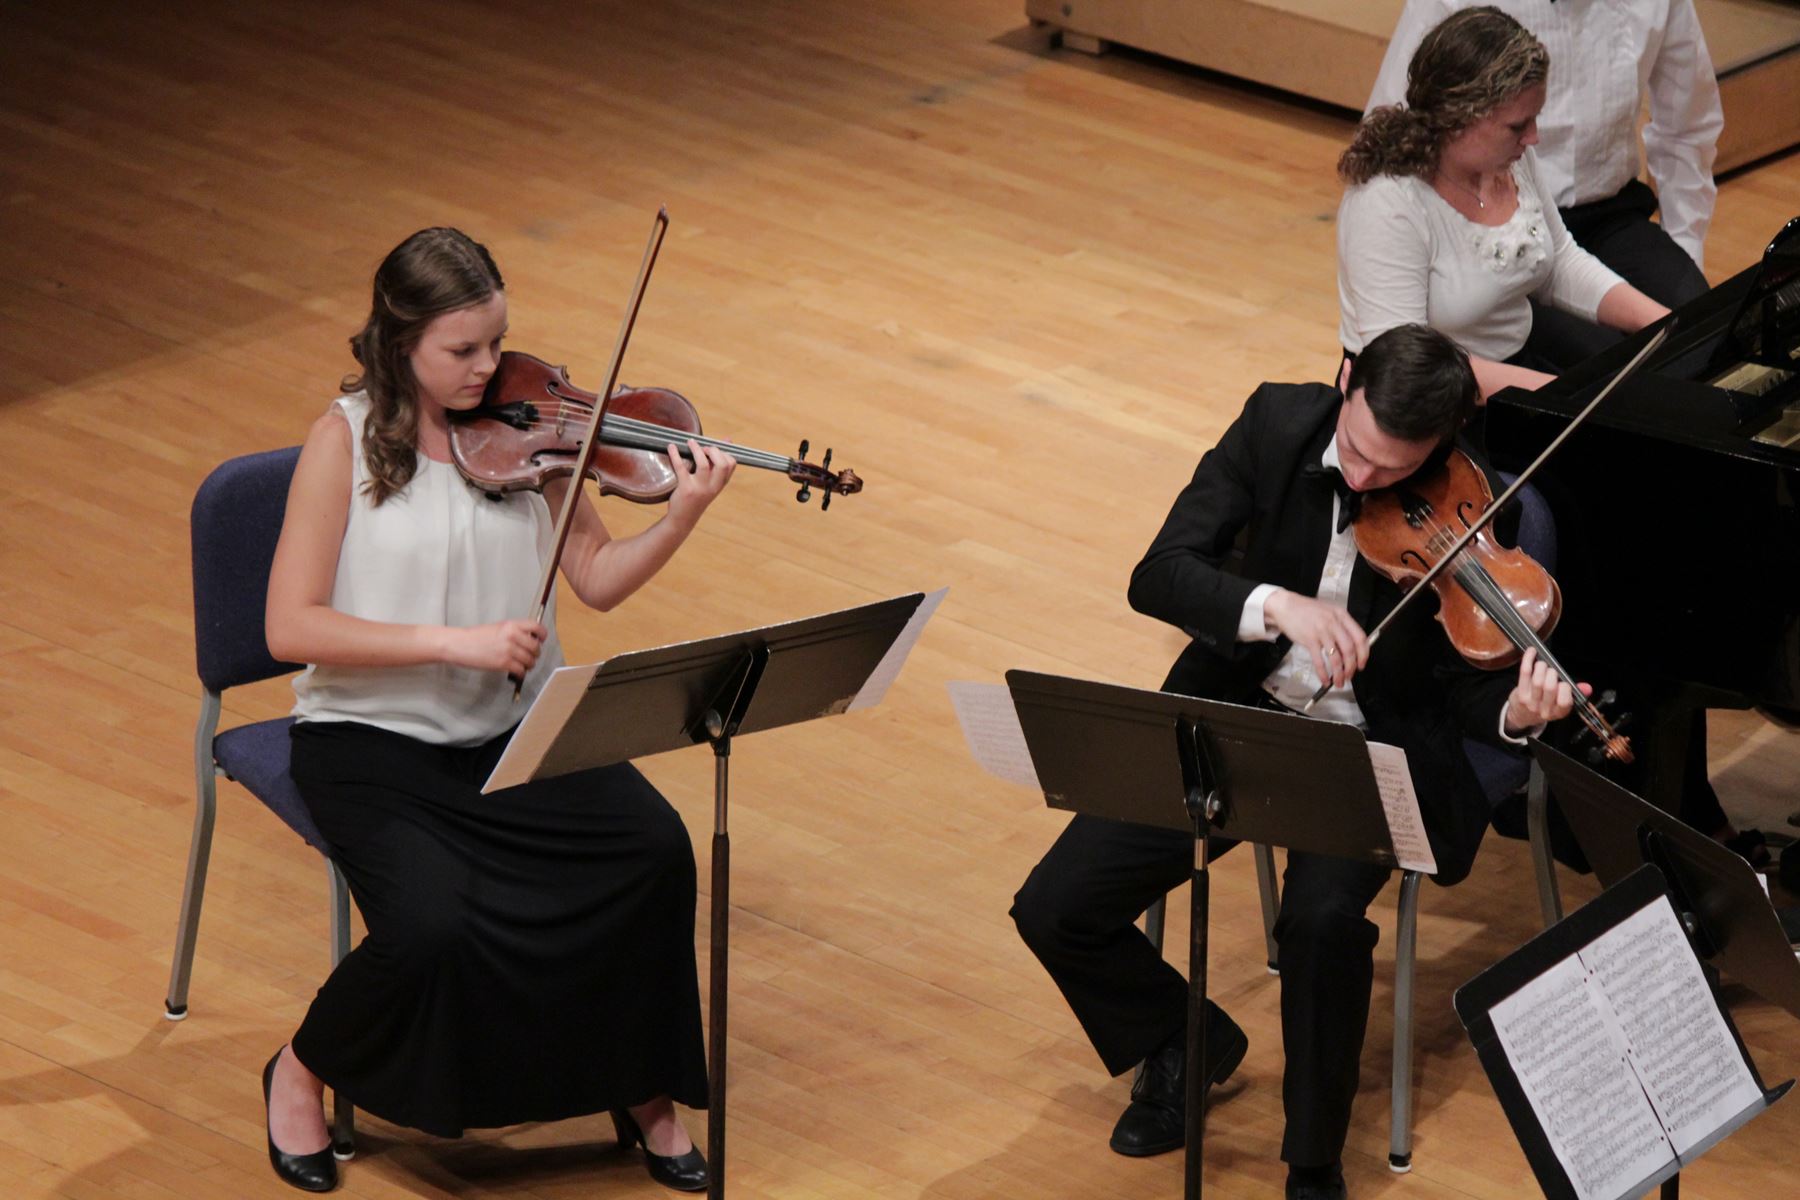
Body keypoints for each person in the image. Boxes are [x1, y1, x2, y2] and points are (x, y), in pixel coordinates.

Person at [1010, 324, 1581, 1200]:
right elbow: (1159, 574)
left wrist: (1515, 712)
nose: (1365, 480)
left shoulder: (1466, 506)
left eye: (1394, 467)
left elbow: (1461, 690)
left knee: (1318, 926)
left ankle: (1312, 1161)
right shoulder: (1275, 424)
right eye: (1356, 450)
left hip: (1367, 752)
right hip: (1236, 711)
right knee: (1056, 906)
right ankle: (1185, 1039)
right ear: (1347, 381)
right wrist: (1276, 605)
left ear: (1442, 442)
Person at [261, 227, 733, 1193]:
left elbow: (595, 577)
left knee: (652, 854)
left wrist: (679, 518)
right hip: (371, 742)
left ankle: (641, 1084)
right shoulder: (341, 441)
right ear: (401, 344)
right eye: (462, 350)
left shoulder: (532, 433)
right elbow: (288, 625)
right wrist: (453, 643)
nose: (487, 368)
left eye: (496, 342)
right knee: (434, 928)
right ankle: (303, 1068)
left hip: (514, 732)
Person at [1336, 6, 1669, 400]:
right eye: (1517, 125)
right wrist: (1562, 395)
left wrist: (1666, 321)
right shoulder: (1386, 204)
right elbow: (1408, 368)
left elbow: (1560, 263)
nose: (1533, 137)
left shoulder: (1509, 160)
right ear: (1458, 117)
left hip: (1510, 369)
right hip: (1424, 403)